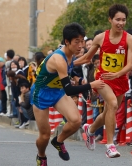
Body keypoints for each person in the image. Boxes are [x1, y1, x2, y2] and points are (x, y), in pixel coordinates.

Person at [32, 22, 105, 165]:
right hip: (41, 93)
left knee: (76, 121)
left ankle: (58, 141)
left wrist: (97, 46)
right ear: (67, 42)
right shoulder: (59, 59)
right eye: (76, 42)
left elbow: (85, 59)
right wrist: (91, 85)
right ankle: (41, 156)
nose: (81, 46)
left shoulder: (72, 54)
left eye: (82, 41)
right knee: (45, 135)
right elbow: (69, 90)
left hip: (57, 92)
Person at [74, 4, 132, 158]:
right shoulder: (101, 37)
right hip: (102, 78)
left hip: (119, 80)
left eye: (123, 20)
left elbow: (129, 65)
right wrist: (68, 63)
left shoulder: (129, 39)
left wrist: (117, 75)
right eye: (117, 20)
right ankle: (110, 145)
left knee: (109, 111)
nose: (121, 23)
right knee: (113, 104)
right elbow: (87, 57)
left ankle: (90, 129)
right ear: (110, 19)